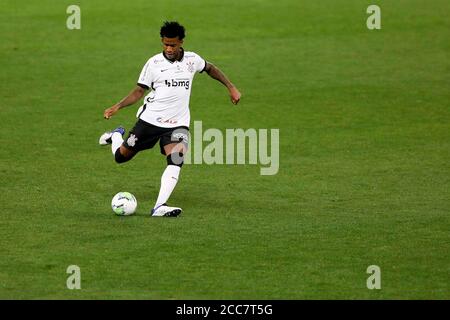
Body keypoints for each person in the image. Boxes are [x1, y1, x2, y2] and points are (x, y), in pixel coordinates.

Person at [99, 21, 241, 217]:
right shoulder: (154, 63)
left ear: (181, 42)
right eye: (165, 44)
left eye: (173, 45)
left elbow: (210, 68)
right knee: (121, 157)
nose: (169, 48)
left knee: (176, 160)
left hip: (178, 123)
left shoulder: (192, 60)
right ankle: (115, 136)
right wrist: (117, 106)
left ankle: (159, 206)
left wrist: (231, 87)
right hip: (150, 121)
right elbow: (140, 90)